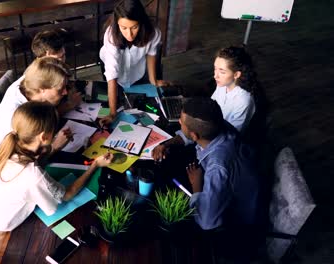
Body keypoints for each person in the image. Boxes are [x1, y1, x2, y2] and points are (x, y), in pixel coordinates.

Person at [0, 102, 113, 263]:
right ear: (44, 137)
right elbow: (67, 194)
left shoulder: (8, 148)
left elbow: (33, 164)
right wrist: (95, 165)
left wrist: (53, 147)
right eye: (54, 131)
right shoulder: (32, 175)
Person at [0, 57, 73, 188]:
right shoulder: (19, 116)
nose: (65, 92)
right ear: (42, 89)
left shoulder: (29, 83)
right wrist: (54, 147)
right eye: (61, 89)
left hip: (3, 163)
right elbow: (26, 166)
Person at [152, 46, 260, 161]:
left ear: (236, 74)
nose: (215, 76)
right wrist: (169, 144)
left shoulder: (244, 101)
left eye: (222, 72)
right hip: (204, 136)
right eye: (215, 69)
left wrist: (179, 139)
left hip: (217, 149)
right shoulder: (222, 85)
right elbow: (205, 116)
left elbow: (226, 139)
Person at [176, 97, 260, 231]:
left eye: (181, 122)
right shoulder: (220, 125)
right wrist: (169, 143)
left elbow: (207, 221)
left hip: (236, 225)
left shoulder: (218, 168)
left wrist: (196, 186)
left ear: (195, 136)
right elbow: (193, 133)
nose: (179, 122)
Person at [99, 0, 168, 126]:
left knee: (138, 106)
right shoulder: (111, 36)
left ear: (141, 22)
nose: (129, 34)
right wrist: (112, 113)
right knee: (115, 99)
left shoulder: (153, 32)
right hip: (113, 73)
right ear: (117, 24)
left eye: (134, 27)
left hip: (136, 70)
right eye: (123, 28)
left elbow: (151, 55)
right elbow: (112, 76)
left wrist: (153, 81)